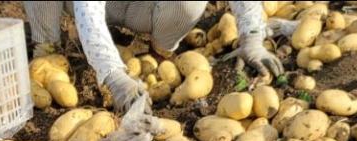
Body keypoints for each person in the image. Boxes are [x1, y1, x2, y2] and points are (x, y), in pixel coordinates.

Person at [23, 1, 283, 112]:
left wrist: (251, 36)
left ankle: (159, 52)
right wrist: (114, 76)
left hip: (143, 8)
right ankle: (47, 51)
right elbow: (87, 10)